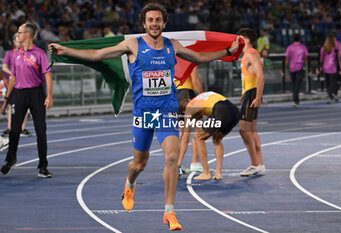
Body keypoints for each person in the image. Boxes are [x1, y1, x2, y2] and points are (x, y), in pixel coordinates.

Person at [48, 3, 241, 231]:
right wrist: (67, 51)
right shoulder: (133, 45)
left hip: (166, 112)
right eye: (150, 20)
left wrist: (228, 51)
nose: (154, 24)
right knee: (139, 164)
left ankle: (169, 212)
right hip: (143, 114)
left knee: (171, 157)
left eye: (158, 20)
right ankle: (130, 184)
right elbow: (98, 54)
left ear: (164, 23)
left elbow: (198, 56)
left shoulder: (172, 45)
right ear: (144, 23)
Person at [0, 23, 54, 178]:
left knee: (40, 131)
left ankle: (43, 167)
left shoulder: (39, 54)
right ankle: (10, 160)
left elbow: (48, 75)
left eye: (20, 32)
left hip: (36, 94)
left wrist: (49, 96)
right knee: (14, 130)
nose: (17, 34)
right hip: (19, 95)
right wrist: (6, 101)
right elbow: (13, 78)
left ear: (28, 35)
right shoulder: (16, 55)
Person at [178, 91, 240, 180]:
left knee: (198, 137)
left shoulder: (189, 108)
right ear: (188, 99)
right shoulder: (201, 97)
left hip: (221, 110)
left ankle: (206, 173)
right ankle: (218, 173)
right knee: (217, 138)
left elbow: (185, 138)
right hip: (234, 111)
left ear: (183, 111)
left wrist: (179, 162)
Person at [237, 28, 266, 177]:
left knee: (244, 130)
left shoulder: (251, 54)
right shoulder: (246, 55)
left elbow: (261, 76)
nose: (237, 41)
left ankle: (254, 164)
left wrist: (258, 97)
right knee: (252, 131)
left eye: (239, 38)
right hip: (248, 93)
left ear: (246, 40)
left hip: (251, 93)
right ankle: (259, 164)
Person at [175, 66, 204, 176]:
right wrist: (203, 96)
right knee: (198, 128)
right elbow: (195, 80)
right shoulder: (189, 59)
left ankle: (178, 164)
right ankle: (192, 163)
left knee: (182, 132)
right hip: (186, 93)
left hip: (176, 94)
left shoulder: (173, 58)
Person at [1, 33, 32, 137]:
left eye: (21, 41)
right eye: (18, 41)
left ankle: (22, 128)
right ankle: (10, 128)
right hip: (13, 82)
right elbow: (4, 67)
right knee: (11, 104)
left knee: (25, 105)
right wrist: (12, 74)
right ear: (14, 42)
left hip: (25, 82)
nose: (20, 42)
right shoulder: (10, 53)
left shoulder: (27, 53)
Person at [285, 33, 309, 108]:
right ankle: (296, 100)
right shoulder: (303, 47)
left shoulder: (289, 47)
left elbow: (287, 59)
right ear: (300, 39)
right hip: (299, 67)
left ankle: (296, 99)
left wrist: (285, 67)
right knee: (297, 85)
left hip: (292, 68)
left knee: (294, 84)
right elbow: (306, 58)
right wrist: (307, 66)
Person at [320, 36, 341, 104]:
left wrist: (321, 66)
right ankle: (331, 96)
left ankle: (330, 95)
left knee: (328, 83)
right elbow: (337, 59)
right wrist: (340, 69)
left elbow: (321, 59)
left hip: (325, 67)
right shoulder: (335, 49)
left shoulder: (323, 49)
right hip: (332, 68)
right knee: (332, 83)